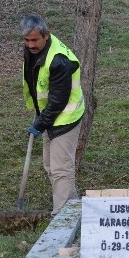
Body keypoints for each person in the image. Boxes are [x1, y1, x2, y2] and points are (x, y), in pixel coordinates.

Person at [20, 14, 85, 216]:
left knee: (61, 169)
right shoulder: (33, 50)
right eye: (27, 40)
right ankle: (72, 209)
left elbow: (59, 100)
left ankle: (62, 216)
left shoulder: (59, 61)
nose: (30, 45)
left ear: (46, 35)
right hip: (49, 115)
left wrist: (40, 123)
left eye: (34, 40)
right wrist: (40, 116)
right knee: (50, 166)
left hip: (66, 117)